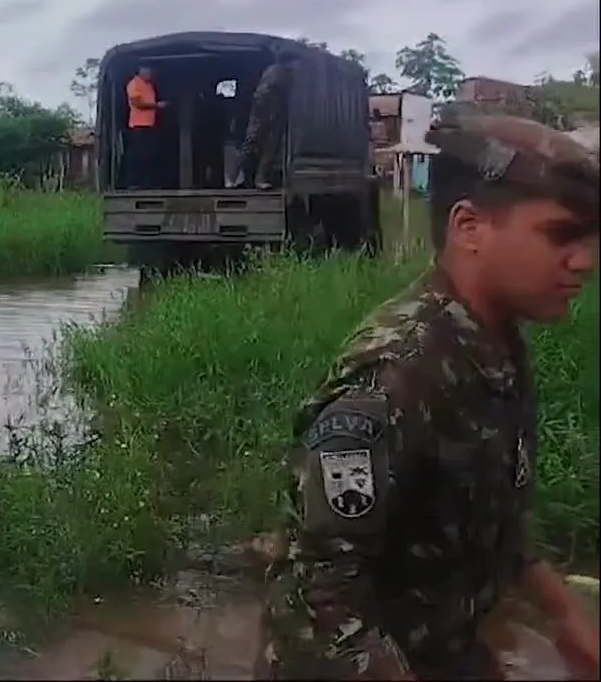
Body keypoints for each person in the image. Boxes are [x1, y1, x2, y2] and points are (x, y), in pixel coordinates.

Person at [255, 109, 600, 680]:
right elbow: (319, 606)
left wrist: (564, 614)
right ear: (469, 228)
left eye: (588, 239)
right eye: (559, 235)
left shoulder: (494, 342)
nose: (584, 262)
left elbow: (493, 523)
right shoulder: (393, 378)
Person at [234, 48, 300, 189]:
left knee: (270, 148)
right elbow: (262, 95)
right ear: (289, 61)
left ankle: (259, 179)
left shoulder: (285, 73)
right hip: (265, 114)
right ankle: (234, 177)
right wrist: (267, 115)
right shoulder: (275, 73)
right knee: (252, 143)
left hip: (273, 115)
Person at [124, 65, 167, 189]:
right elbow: (137, 103)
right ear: (141, 71)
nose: (151, 74)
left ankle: (146, 183)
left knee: (149, 155)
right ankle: (133, 183)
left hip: (149, 125)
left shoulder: (149, 85)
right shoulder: (134, 84)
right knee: (137, 156)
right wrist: (156, 105)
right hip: (138, 126)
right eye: (148, 71)